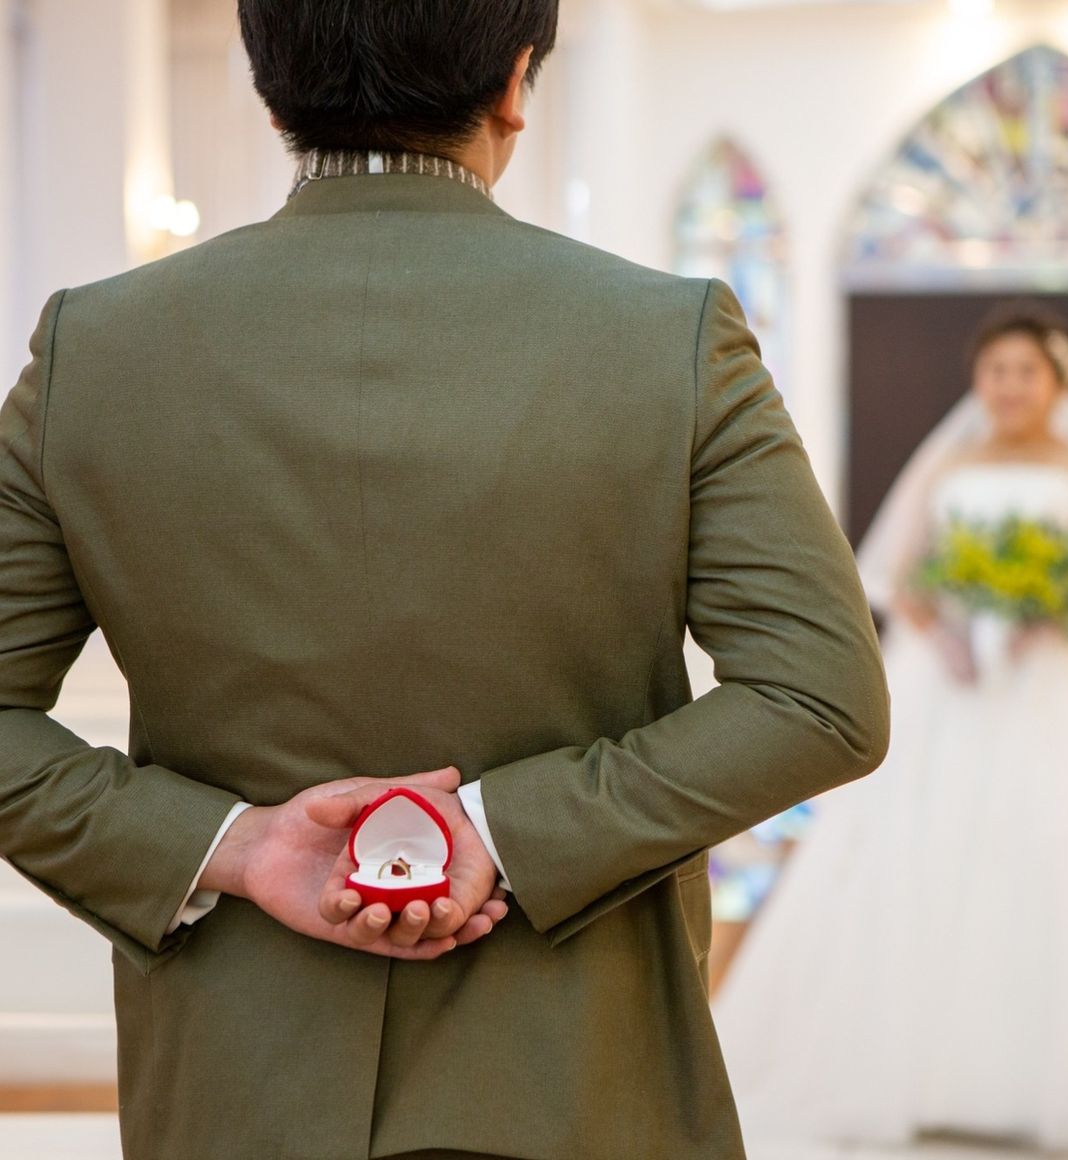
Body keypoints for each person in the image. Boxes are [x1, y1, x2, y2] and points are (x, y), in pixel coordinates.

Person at [0, 3, 890, 1158]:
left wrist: (232, 843)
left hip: (234, 1087)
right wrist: (498, 828)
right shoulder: (666, 339)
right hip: (577, 1079)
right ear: (515, 81)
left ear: (268, 83)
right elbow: (818, 696)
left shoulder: (94, 349)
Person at [714, 302, 1068, 1157]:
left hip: (1060, 680)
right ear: (978, 380)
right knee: (921, 850)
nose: (1009, 386)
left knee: (1066, 849)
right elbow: (893, 570)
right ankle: (911, 1072)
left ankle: (1053, 1077)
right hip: (947, 682)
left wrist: (1055, 616)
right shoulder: (950, 464)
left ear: (1057, 382)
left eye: (1026, 372)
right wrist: (942, 632)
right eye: (996, 371)